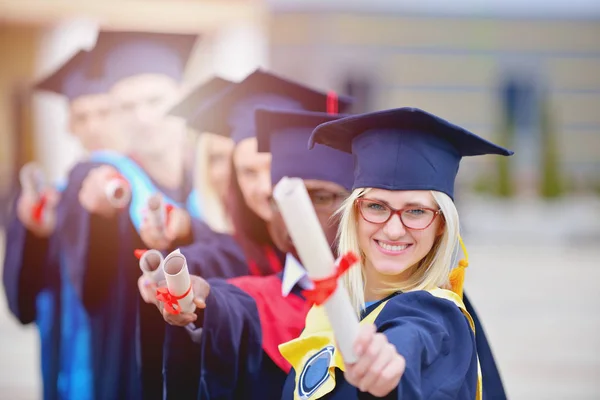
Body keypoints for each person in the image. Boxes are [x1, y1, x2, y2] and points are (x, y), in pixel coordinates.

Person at [279, 107, 513, 399]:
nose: (393, 230)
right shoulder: (334, 306)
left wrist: (388, 368)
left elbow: (411, 338)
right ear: (355, 211)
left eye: (415, 211)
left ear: (441, 223)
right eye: (376, 206)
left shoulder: (438, 317)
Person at [68, 31, 242, 400]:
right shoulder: (103, 177)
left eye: (155, 100)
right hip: (132, 368)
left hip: (215, 361)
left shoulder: (217, 171)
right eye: (126, 107)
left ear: (182, 97)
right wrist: (98, 218)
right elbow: (90, 291)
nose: (142, 117)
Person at [156, 108, 355, 399]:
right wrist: (197, 297)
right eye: (284, 197)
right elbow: (223, 304)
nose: (300, 211)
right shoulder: (251, 298)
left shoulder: (388, 297)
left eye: (321, 197)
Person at [2, 48, 125, 400]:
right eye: (82, 117)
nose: (94, 127)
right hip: (71, 370)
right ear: (69, 125)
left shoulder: (150, 190)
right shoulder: (53, 200)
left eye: (104, 113)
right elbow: (22, 307)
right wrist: (36, 235)